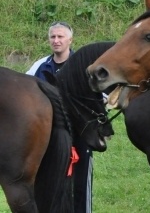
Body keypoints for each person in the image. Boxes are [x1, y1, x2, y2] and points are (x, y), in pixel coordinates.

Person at [27, 21, 94, 213]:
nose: (56, 41)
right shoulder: (39, 66)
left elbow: (101, 97)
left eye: (60, 37)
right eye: (53, 37)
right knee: (48, 181)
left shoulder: (83, 67)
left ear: (70, 40)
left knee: (80, 184)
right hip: (49, 135)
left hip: (79, 134)